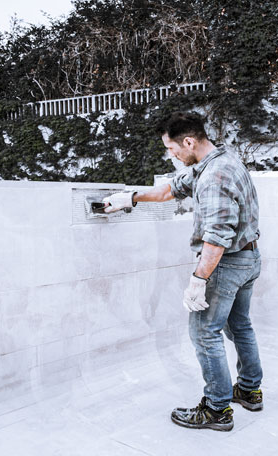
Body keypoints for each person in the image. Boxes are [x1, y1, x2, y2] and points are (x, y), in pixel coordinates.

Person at [102, 111, 263, 432]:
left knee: (204, 333)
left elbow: (217, 237)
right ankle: (249, 390)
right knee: (240, 326)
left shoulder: (215, 177)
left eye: (172, 148)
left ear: (188, 141)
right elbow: (168, 190)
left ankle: (217, 409)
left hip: (225, 264)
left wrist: (198, 280)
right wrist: (129, 198)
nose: (170, 154)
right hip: (249, 260)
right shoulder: (217, 162)